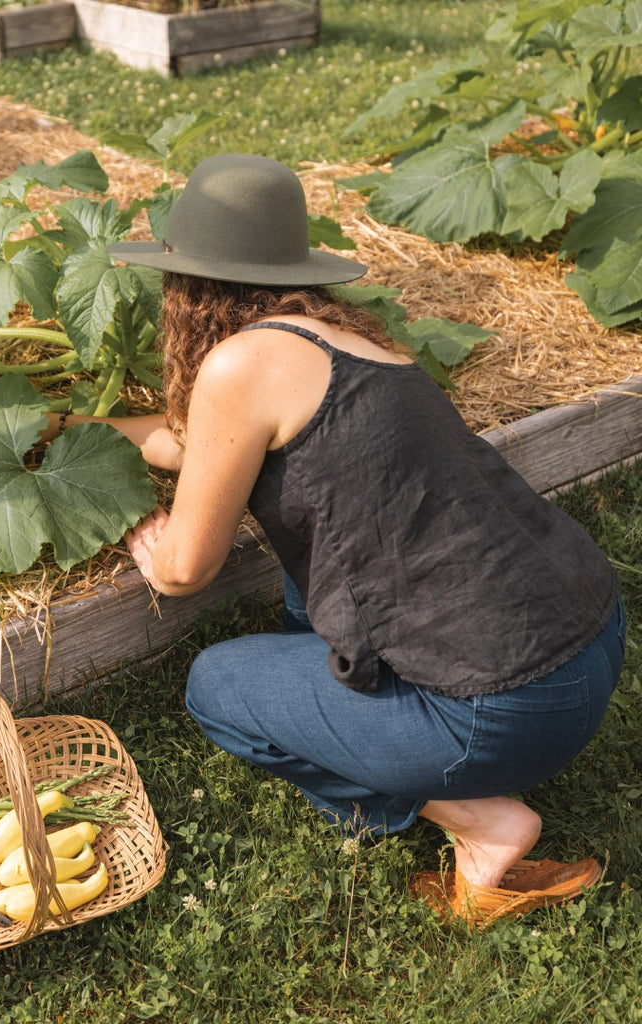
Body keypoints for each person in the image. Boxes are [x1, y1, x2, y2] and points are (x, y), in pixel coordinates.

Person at [44, 153, 625, 927]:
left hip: (504, 709)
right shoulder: (347, 346)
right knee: (306, 564)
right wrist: (81, 431)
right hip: (591, 644)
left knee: (217, 686)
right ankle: (404, 734)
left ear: (187, 283)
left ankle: (482, 821)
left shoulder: (236, 363)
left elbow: (185, 568)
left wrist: (162, 558)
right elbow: (191, 441)